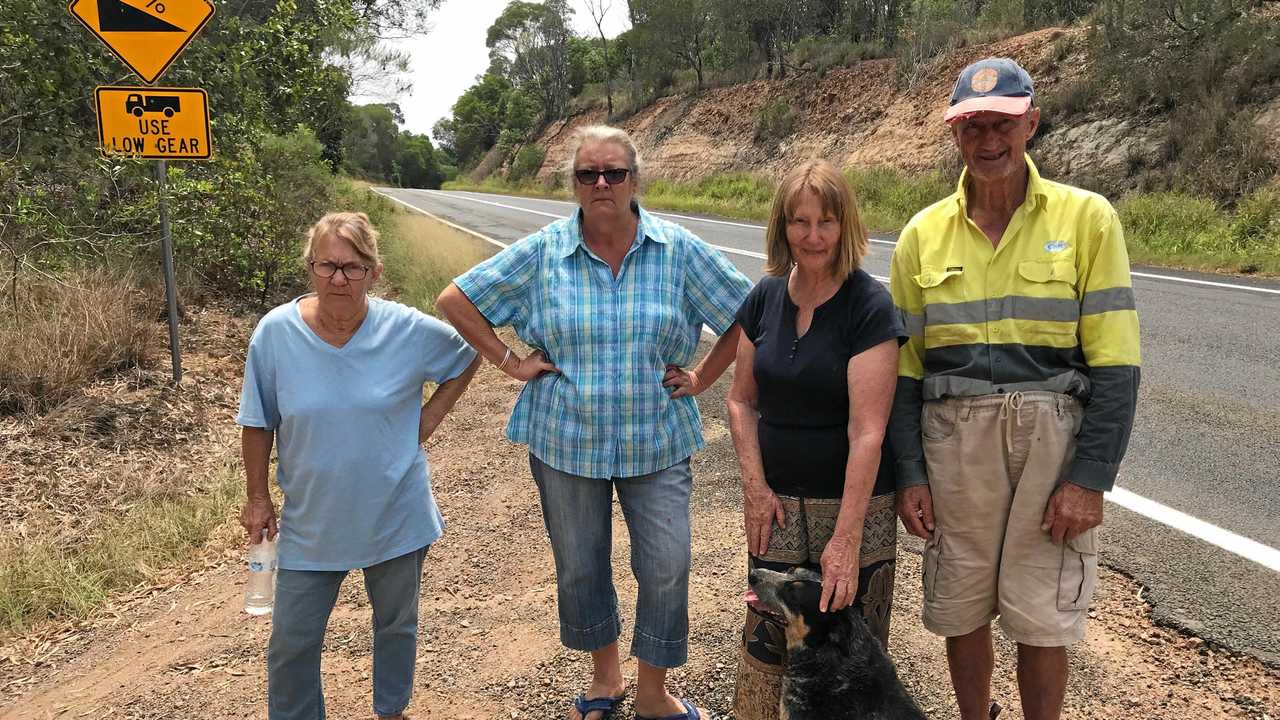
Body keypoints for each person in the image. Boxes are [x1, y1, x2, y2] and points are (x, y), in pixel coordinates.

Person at [435, 124, 751, 720]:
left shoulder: (677, 249)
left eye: (614, 173)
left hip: (655, 438)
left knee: (666, 565)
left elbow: (748, 310)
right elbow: (456, 299)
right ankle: (606, 679)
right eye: (588, 174)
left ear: (635, 179)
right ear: (575, 185)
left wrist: (706, 376)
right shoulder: (544, 252)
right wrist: (508, 361)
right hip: (565, 440)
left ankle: (654, 693)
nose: (602, 184)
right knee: (581, 566)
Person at [888, 58, 1141, 720]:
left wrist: (1090, 480)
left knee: (1042, 613)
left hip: (1051, 446)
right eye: (972, 127)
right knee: (959, 605)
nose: (989, 140)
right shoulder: (921, 235)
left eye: (1002, 123)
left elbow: (1117, 364)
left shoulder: (1089, 220)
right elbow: (906, 369)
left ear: (1031, 122)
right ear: (953, 136)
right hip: (953, 444)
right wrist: (909, 473)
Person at [237, 212, 481, 720]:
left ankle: (391, 710)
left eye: (352, 267)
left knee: (396, 625)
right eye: (327, 266)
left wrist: (432, 413)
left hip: (395, 512)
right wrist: (257, 496)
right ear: (310, 268)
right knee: (292, 643)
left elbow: (467, 355)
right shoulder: (275, 334)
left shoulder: (407, 329)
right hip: (311, 519)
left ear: (374, 271)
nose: (338, 279)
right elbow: (257, 420)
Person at [726, 160, 905, 720]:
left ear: (845, 226)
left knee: (849, 656)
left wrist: (847, 536)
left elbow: (868, 429)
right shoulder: (765, 297)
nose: (813, 236)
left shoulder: (868, 305)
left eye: (826, 221)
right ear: (782, 228)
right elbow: (740, 399)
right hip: (775, 501)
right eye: (799, 222)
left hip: (854, 505)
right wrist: (755, 488)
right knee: (767, 638)